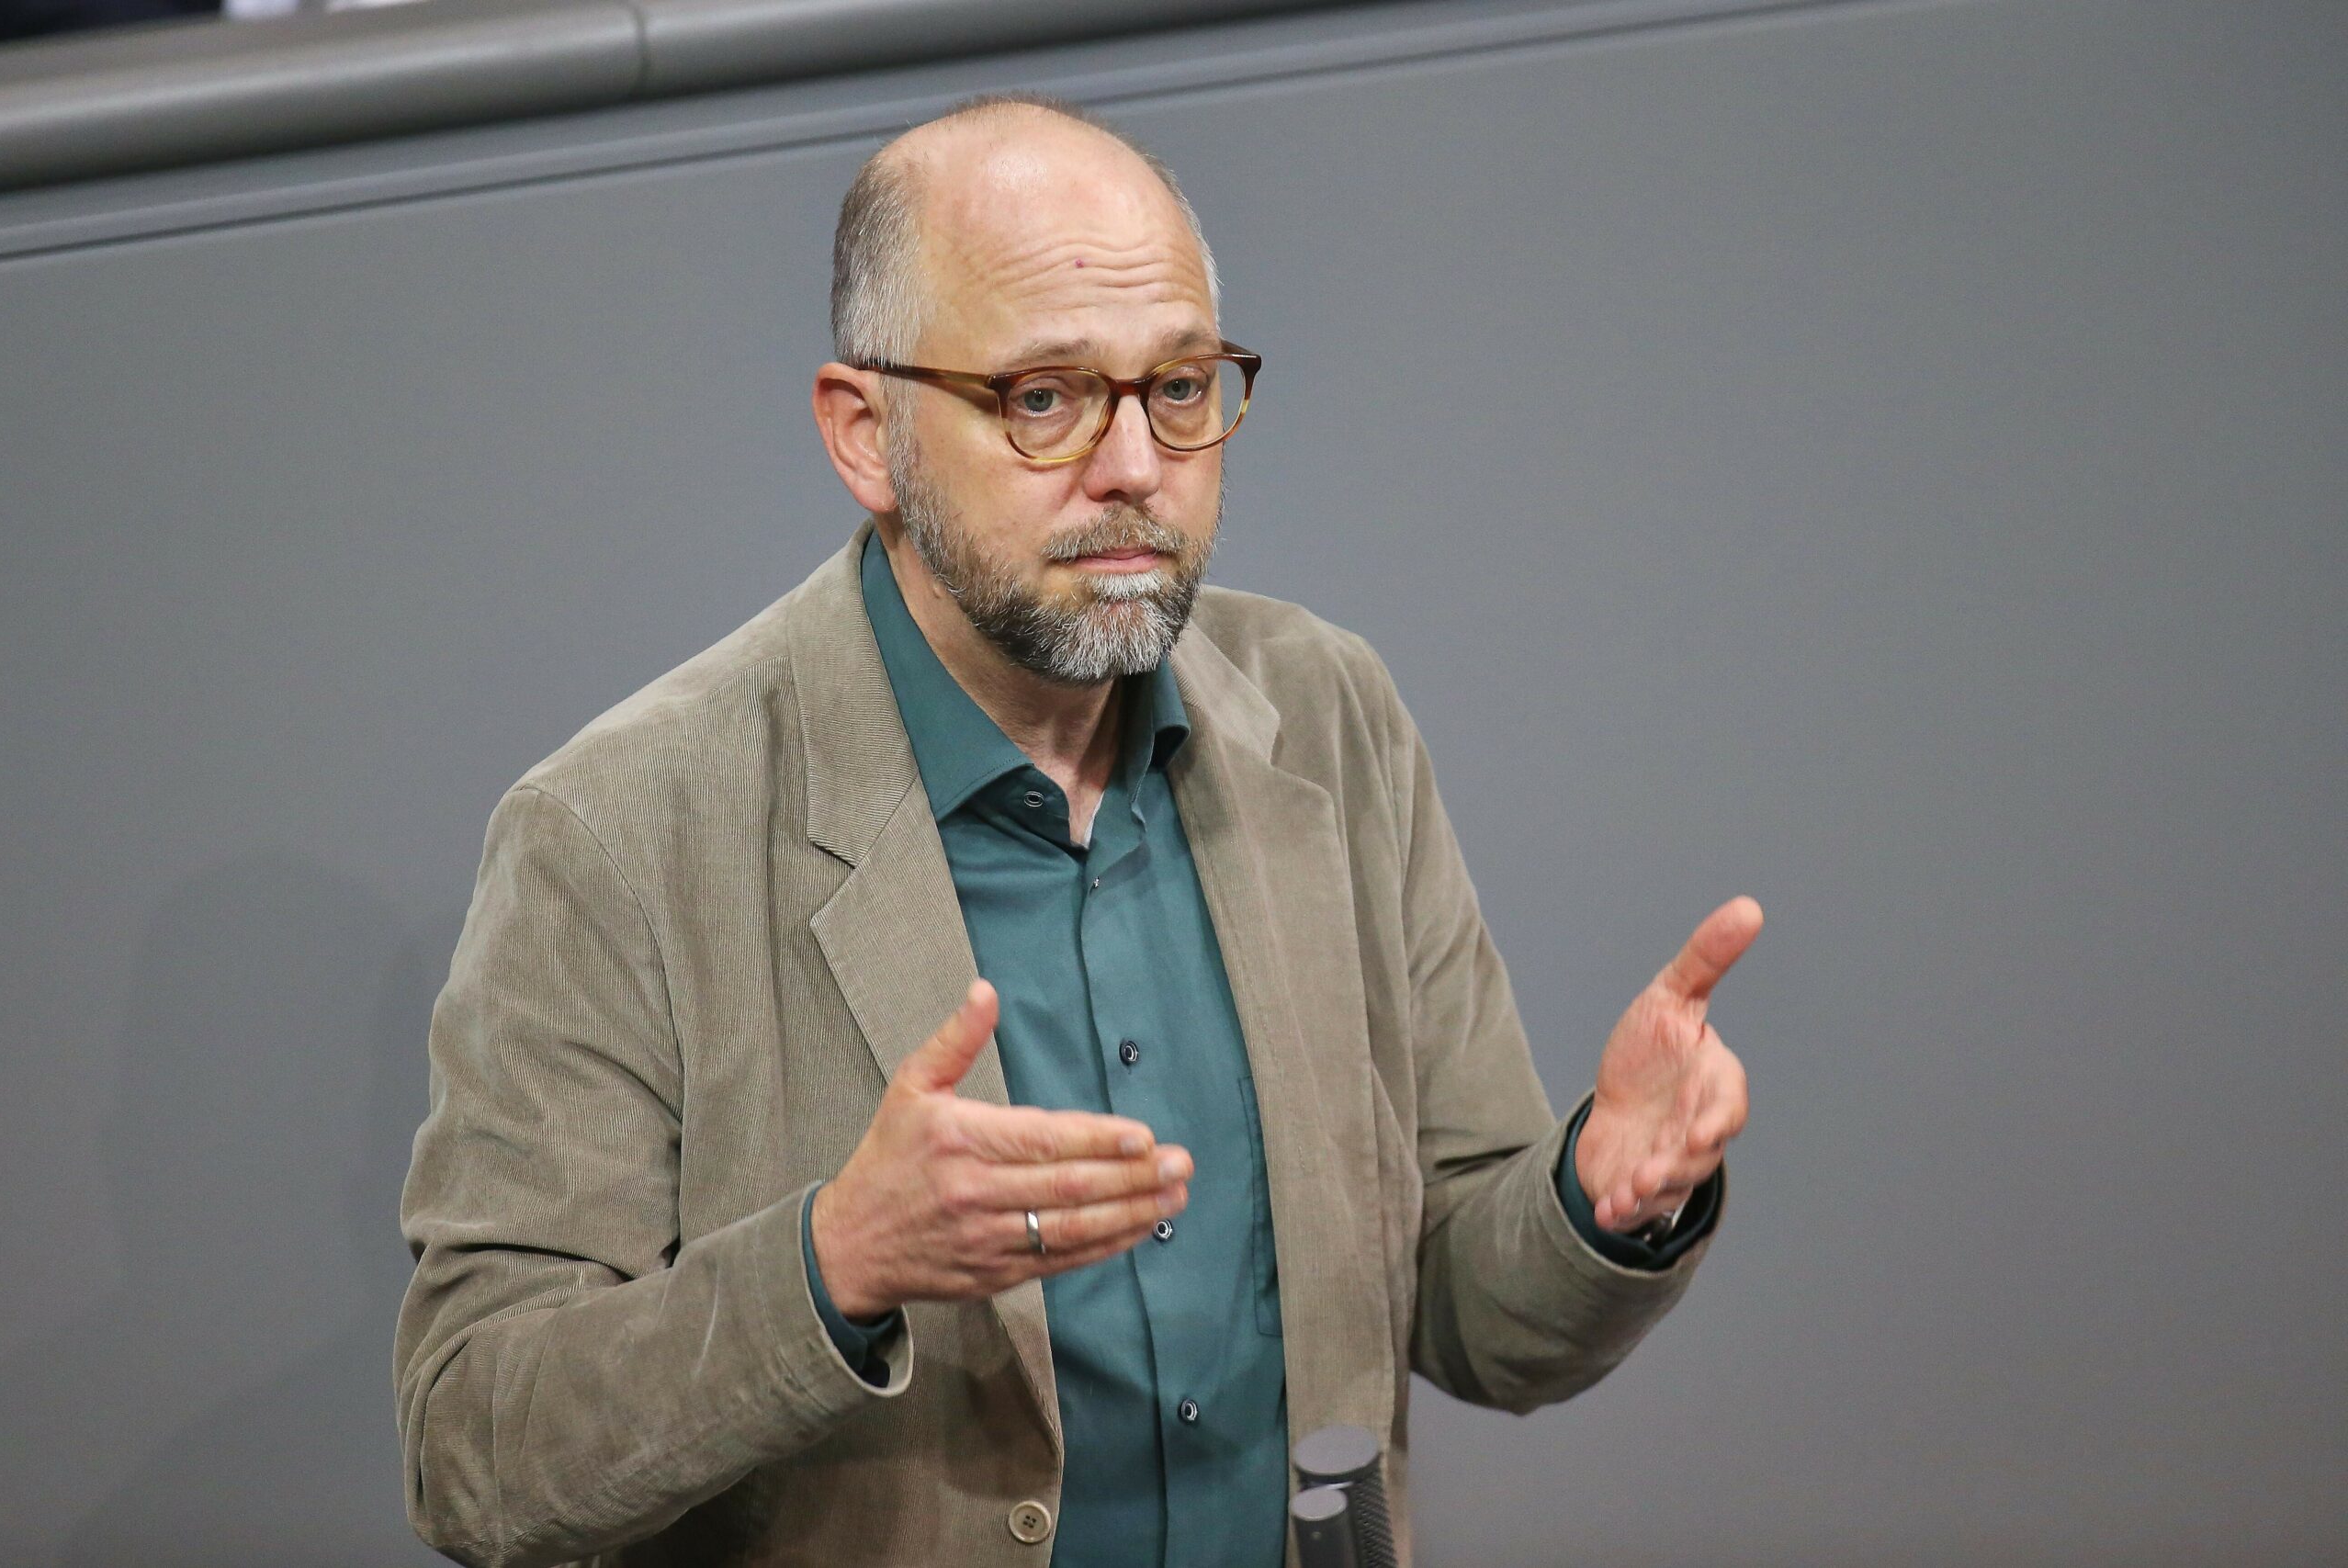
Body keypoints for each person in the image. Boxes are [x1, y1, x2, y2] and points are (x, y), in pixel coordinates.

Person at [394, 93, 1757, 1568]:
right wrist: (834, 1265)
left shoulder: (1327, 713)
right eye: (1044, 397)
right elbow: (481, 1456)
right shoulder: (620, 833)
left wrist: (1602, 1201)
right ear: (866, 433)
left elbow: (1467, 1310)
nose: (1132, 466)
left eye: (1177, 387)